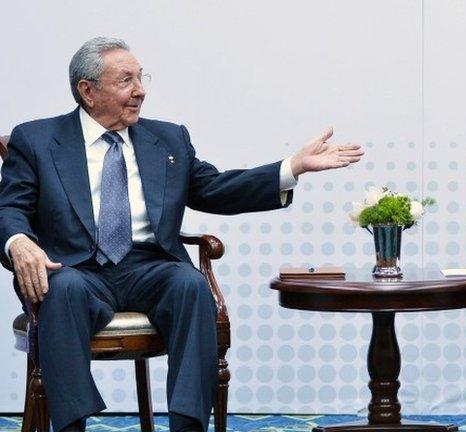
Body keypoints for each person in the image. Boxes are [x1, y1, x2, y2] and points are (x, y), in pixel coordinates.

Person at [0, 37, 363, 432]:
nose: (140, 90)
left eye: (141, 78)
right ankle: (72, 425)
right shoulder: (36, 140)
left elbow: (214, 188)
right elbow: (11, 207)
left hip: (148, 266)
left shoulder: (168, 139)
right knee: (63, 289)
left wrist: (292, 166)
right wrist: (19, 242)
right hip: (73, 269)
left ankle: (188, 425)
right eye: (126, 80)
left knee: (190, 286)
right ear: (88, 91)